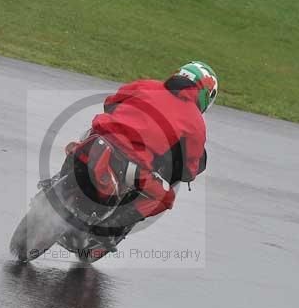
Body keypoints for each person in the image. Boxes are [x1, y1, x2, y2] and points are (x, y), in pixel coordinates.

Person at [88, 61, 217, 234]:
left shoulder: (146, 84)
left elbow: (110, 103)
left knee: (85, 138)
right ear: (206, 95)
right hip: (132, 162)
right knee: (165, 197)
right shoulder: (195, 122)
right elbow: (189, 168)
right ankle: (107, 230)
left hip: (98, 137)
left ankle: (60, 180)